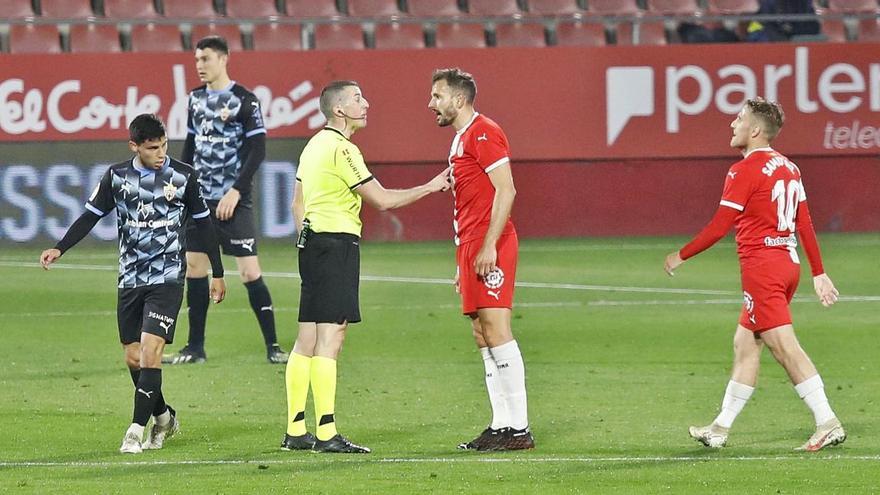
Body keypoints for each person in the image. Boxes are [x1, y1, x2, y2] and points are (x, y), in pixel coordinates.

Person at [664, 98, 845, 452]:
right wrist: (818, 273)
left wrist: (681, 255)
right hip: (786, 264)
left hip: (763, 269)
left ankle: (828, 421)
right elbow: (804, 223)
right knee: (745, 344)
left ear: (756, 130)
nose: (733, 124)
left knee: (785, 349)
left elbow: (720, 226)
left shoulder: (742, 171)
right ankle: (719, 428)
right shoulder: (789, 167)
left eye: (739, 118)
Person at [281, 80, 451, 454]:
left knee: (306, 338)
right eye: (358, 98)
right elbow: (384, 200)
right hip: (336, 245)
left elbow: (297, 204)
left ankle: (295, 429)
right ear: (339, 110)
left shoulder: (313, 146)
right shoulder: (343, 150)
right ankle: (326, 433)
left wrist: (306, 242)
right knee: (332, 336)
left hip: (312, 245)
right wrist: (432, 185)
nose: (366, 102)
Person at [40, 114, 227, 454]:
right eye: (152, 148)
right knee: (134, 358)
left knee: (152, 350)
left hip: (168, 277)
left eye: (164, 145)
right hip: (130, 278)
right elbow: (90, 216)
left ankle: (135, 431)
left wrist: (218, 271)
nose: (160, 153)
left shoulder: (183, 176)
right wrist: (60, 247)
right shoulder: (117, 177)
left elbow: (203, 225)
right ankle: (164, 417)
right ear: (135, 147)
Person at [427, 68, 535, 451]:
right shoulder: (460, 139)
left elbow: (507, 190)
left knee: (497, 329)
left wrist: (489, 245)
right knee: (481, 333)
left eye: (437, 96)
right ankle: (501, 424)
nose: (431, 104)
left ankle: (520, 429)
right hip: (471, 244)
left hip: (492, 242)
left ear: (458, 99)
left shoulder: (484, 131)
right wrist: (464, 258)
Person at [163, 35, 288, 365]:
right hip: (201, 198)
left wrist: (236, 190)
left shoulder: (245, 101)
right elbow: (190, 146)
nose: (200, 65)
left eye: (205, 59)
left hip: (234, 199)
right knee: (195, 267)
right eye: (196, 60)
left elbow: (257, 150)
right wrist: (182, 184)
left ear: (223, 59)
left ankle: (273, 347)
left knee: (248, 271)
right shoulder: (194, 99)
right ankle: (195, 348)